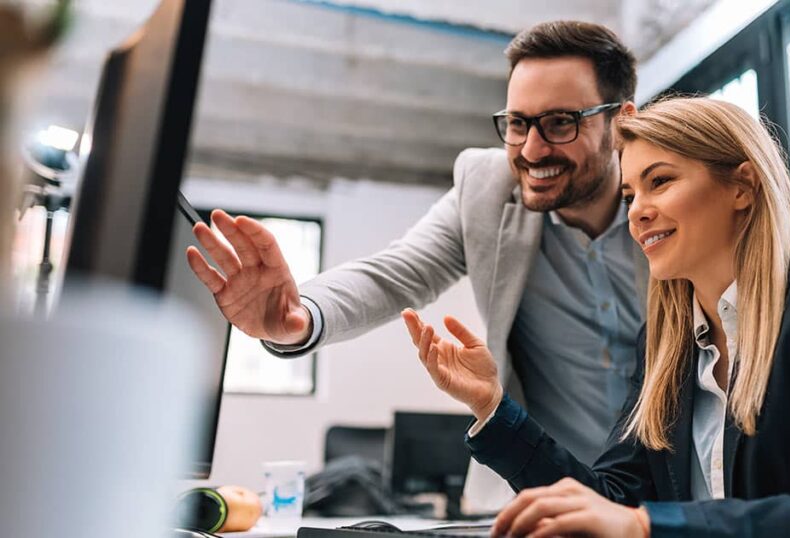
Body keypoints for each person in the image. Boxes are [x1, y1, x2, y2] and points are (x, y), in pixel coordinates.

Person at [400, 96, 790, 537]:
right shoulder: (666, 342)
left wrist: (646, 527)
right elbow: (609, 500)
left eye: (661, 182)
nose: (637, 210)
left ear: (742, 186)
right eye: (630, 193)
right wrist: (494, 406)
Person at [185, 21, 646, 507]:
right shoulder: (487, 190)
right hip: (543, 494)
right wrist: (299, 315)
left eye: (560, 123)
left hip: (673, 493)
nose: (531, 149)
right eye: (516, 123)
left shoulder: (672, 201)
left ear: (621, 122)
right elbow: (394, 273)